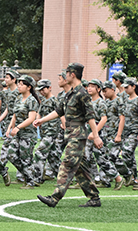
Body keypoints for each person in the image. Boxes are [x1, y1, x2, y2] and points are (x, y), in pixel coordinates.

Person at [35, 63, 103, 208]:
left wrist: (96, 135)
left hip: (78, 136)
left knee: (67, 164)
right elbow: (59, 111)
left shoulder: (82, 94)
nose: (64, 76)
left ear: (72, 74)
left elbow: (90, 116)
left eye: (66, 73)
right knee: (80, 168)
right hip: (71, 135)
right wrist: (42, 119)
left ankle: (54, 198)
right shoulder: (70, 94)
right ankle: (94, 198)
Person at [6, 75, 40, 189]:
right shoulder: (18, 98)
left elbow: (31, 119)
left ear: (29, 87)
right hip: (18, 134)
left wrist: (18, 127)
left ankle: (30, 181)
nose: (19, 86)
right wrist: (10, 127)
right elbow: (14, 115)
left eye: (22, 84)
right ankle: (29, 175)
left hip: (28, 135)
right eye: (18, 84)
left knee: (26, 159)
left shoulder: (32, 100)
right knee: (11, 154)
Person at [30, 79, 60, 183]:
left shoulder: (54, 101)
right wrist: (37, 121)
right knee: (53, 157)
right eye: (40, 90)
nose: (41, 92)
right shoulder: (43, 100)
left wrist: (64, 126)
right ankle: (64, 178)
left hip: (52, 131)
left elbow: (61, 114)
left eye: (43, 89)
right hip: (44, 131)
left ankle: (37, 178)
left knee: (39, 152)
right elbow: (40, 112)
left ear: (49, 88)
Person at [0, 69, 21, 181]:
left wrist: (12, 126)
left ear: (14, 79)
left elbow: (16, 111)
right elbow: (7, 109)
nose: (5, 80)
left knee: (11, 148)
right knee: (10, 148)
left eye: (7, 77)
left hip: (17, 123)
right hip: (10, 123)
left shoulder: (18, 92)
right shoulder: (7, 93)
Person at [101, 80, 126, 190]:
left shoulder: (119, 101)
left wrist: (119, 135)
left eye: (105, 91)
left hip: (115, 133)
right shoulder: (106, 103)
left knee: (111, 156)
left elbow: (122, 118)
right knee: (105, 155)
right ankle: (105, 180)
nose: (104, 94)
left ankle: (127, 174)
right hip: (107, 133)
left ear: (112, 89)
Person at [120, 77, 138, 186]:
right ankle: (134, 178)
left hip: (134, 131)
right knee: (130, 156)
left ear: (133, 87)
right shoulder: (125, 100)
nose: (125, 89)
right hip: (125, 131)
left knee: (126, 152)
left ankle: (131, 174)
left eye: (127, 87)